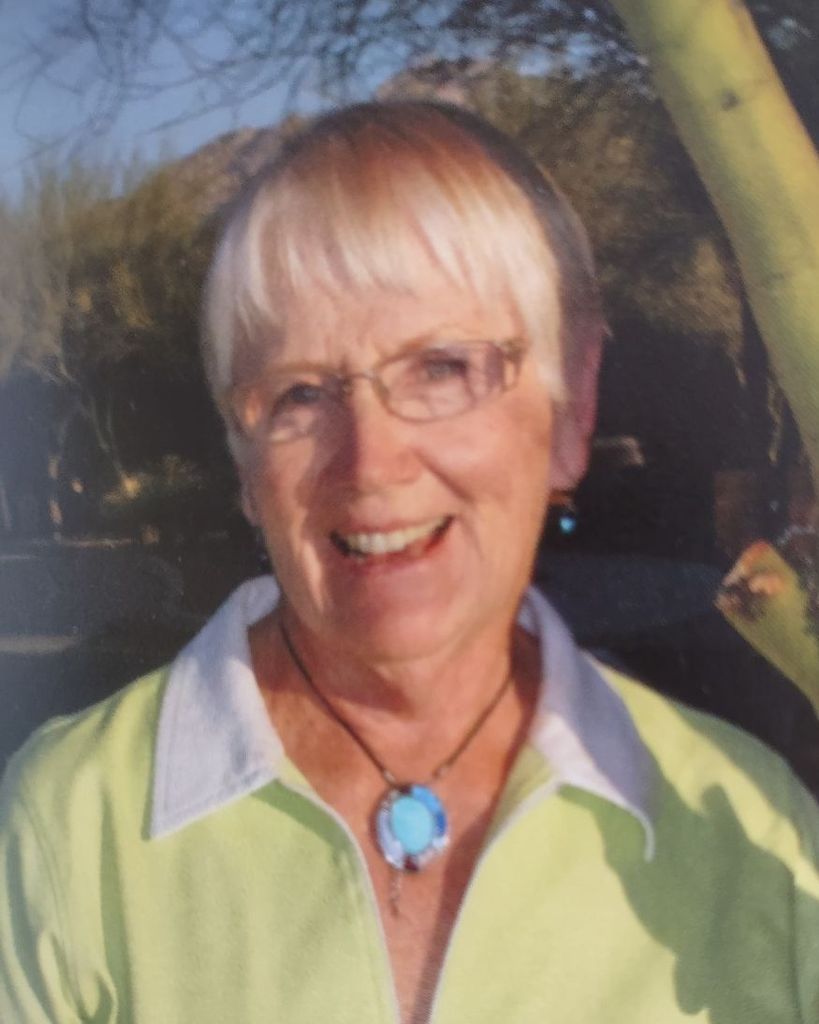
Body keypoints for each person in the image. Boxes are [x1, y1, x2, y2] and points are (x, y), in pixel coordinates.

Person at [1, 101, 818, 1024]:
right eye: (299, 393)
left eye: (441, 368)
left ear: (572, 404)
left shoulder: (756, 836)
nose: (370, 463)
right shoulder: (71, 833)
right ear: (242, 456)